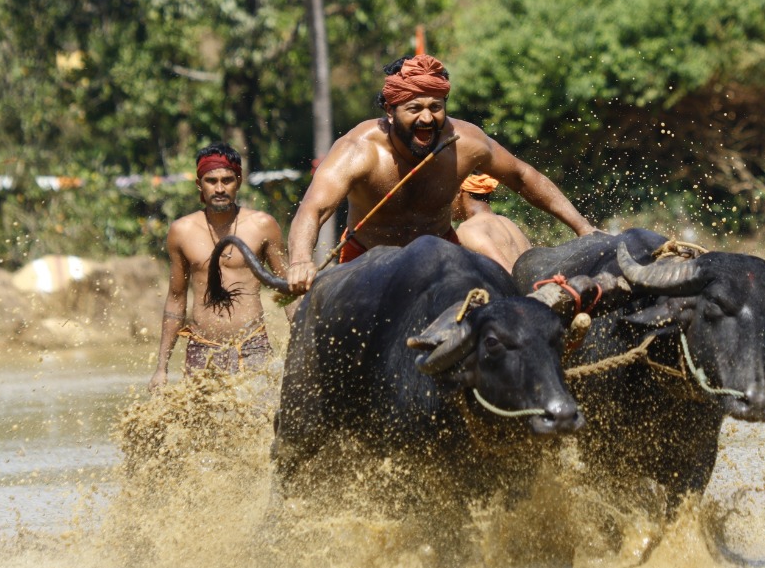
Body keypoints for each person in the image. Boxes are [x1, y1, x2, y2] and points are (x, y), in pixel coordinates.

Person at [286, 54, 595, 294]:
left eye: (436, 107)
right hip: (367, 259)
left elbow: (523, 177)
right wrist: (301, 261)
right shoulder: (359, 150)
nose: (426, 118)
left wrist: (583, 229)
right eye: (414, 108)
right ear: (390, 112)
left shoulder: (465, 142)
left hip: (441, 257)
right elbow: (313, 209)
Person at [149, 143, 287, 390]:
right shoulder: (181, 231)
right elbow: (176, 298)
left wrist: (306, 344)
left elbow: (288, 289)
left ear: (239, 181)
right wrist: (162, 368)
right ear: (199, 185)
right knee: (201, 426)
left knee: (263, 421)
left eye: (227, 180)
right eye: (211, 180)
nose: (220, 188)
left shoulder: (263, 225)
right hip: (203, 349)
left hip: (253, 346)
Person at [452, 172, 533, 272]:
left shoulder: (468, 229)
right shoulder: (507, 222)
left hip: (512, 287)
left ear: (459, 192)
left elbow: (506, 272)